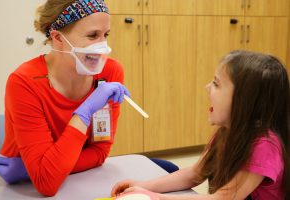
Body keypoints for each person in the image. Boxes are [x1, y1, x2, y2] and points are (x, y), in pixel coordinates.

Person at [0, 0, 130, 197]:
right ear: (58, 38)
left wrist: (43, 169)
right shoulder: (24, 82)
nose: (103, 47)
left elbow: (99, 152)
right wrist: (85, 112)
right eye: (92, 36)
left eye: (105, 35)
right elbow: (47, 184)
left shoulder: (109, 72)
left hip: (76, 185)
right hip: (21, 190)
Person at [111, 50, 290, 200]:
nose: (207, 87)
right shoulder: (225, 133)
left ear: (245, 102)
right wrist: (144, 186)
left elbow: (223, 198)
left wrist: (155, 197)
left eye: (216, 84)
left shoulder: (264, 147)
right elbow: (195, 174)